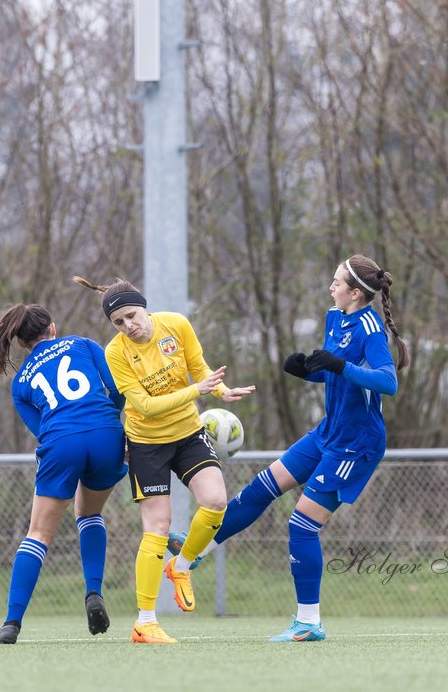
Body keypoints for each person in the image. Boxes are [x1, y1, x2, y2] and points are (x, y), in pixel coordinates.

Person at [168, 255, 409, 642]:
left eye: (336, 282)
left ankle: (309, 623)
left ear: (355, 292)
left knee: (301, 525)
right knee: (261, 488)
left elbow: (387, 381)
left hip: (356, 444)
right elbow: (335, 372)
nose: (330, 286)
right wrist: (308, 369)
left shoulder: (371, 328)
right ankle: (195, 552)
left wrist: (338, 367)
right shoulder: (336, 316)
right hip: (329, 431)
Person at [74, 276, 255, 644]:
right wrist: (196, 390)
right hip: (146, 443)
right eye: (119, 322)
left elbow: (201, 369)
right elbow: (143, 406)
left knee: (216, 502)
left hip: (189, 434)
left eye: (131, 315)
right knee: (158, 526)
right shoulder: (115, 352)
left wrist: (221, 389)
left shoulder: (177, 324)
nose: (128, 326)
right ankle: (145, 622)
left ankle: (182, 566)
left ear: (144, 307)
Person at [0, 303, 128, 644]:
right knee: (89, 514)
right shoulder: (84, 344)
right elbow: (117, 391)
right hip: (106, 432)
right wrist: (110, 424)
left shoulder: (20, 383)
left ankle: (11, 623)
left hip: (61, 440)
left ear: (20, 342)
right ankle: (93, 592)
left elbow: (41, 429)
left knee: (39, 535)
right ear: (53, 328)